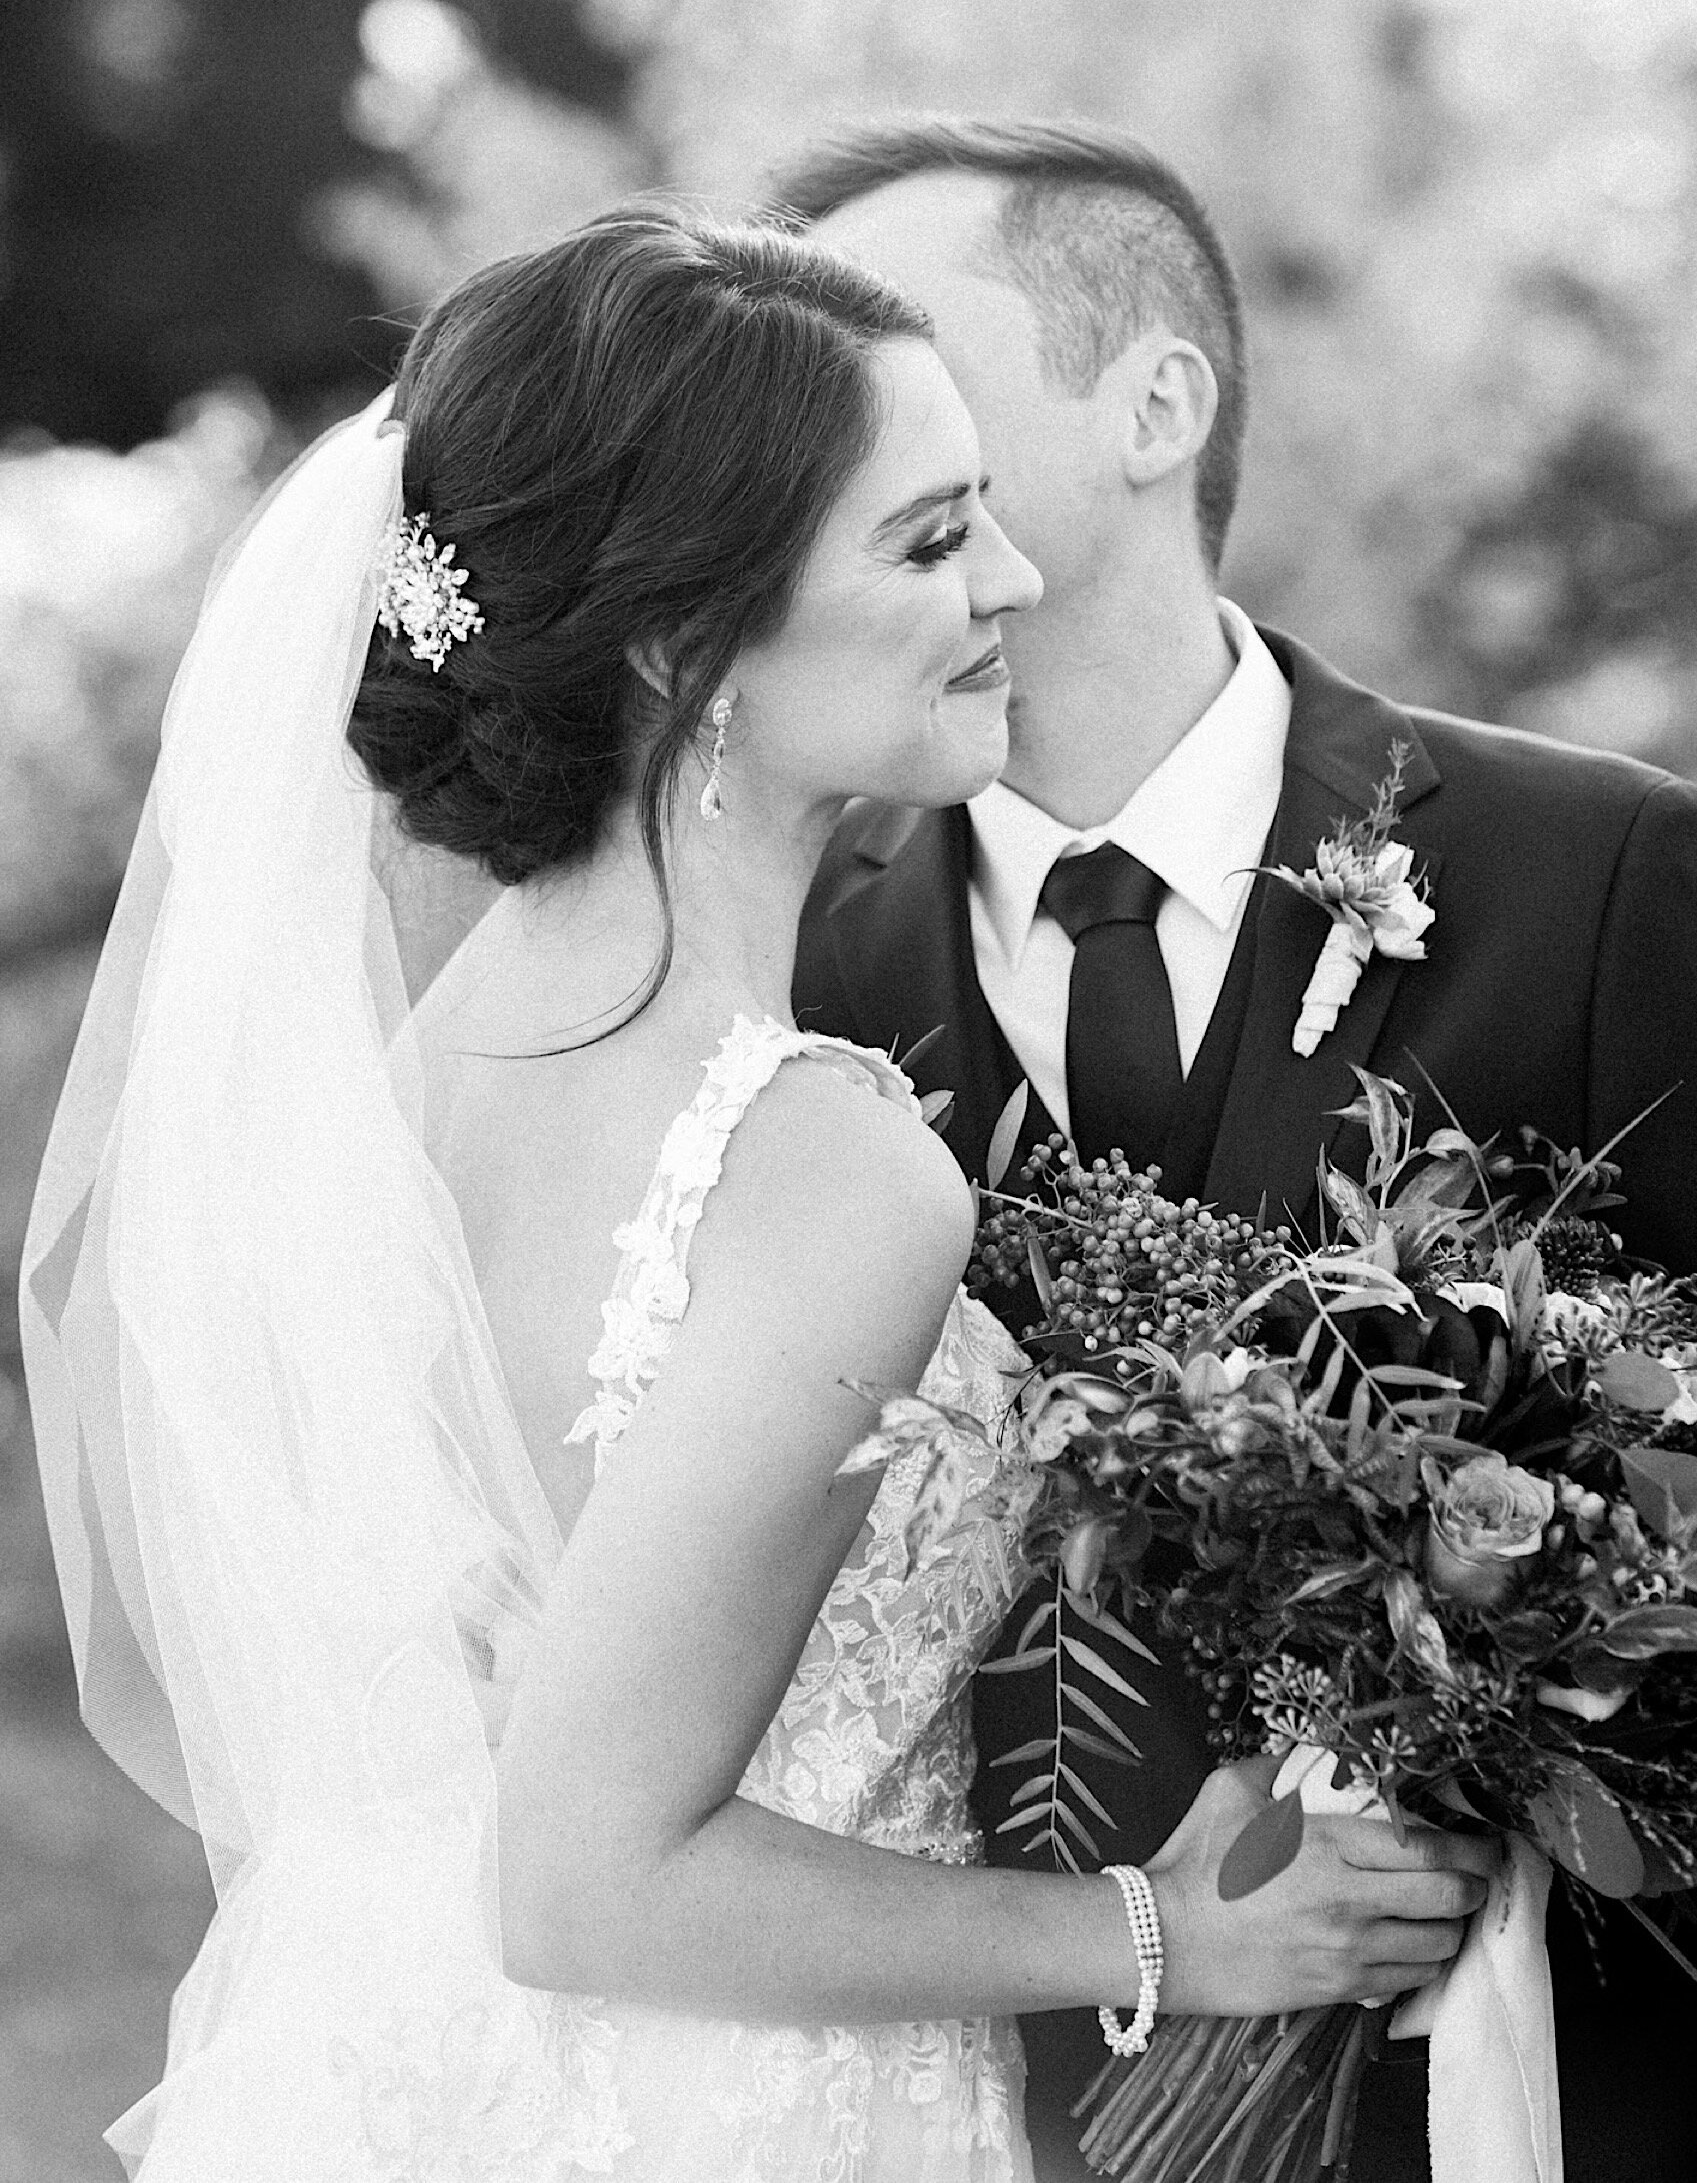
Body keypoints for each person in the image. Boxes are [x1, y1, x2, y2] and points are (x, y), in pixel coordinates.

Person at [20, 206, 1494, 2183]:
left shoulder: (413, 1079)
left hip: (389, 2083)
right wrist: (1169, 1935)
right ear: (680, 637)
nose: (1015, 576)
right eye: (926, 537)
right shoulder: (817, 1163)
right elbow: (584, 1881)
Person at [782, 118, 1697, 2183]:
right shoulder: (785, 956)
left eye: (891, 342)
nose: (819, 416)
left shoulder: (1589, 875)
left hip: (1500, 2096)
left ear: (1159, 402)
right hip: (959, 2107)